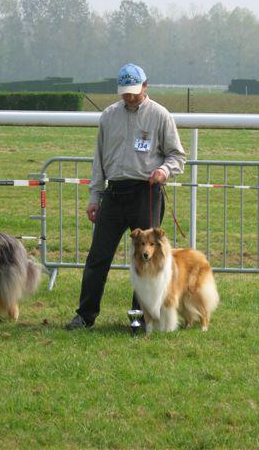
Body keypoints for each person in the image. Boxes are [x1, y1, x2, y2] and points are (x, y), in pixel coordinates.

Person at [65, 63, 186, 330]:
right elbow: (98, 160)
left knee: (147, 258)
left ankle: (139, 318)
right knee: (98, 257)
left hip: (146, 193)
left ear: (145, 86)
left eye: (134, 91)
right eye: (125, 93)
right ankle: (85, 315)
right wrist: (95, 197)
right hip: (114, 194)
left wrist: (164, 170)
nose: (129, 97)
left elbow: (177, 155)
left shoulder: (160, 115)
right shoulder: (108, 116)